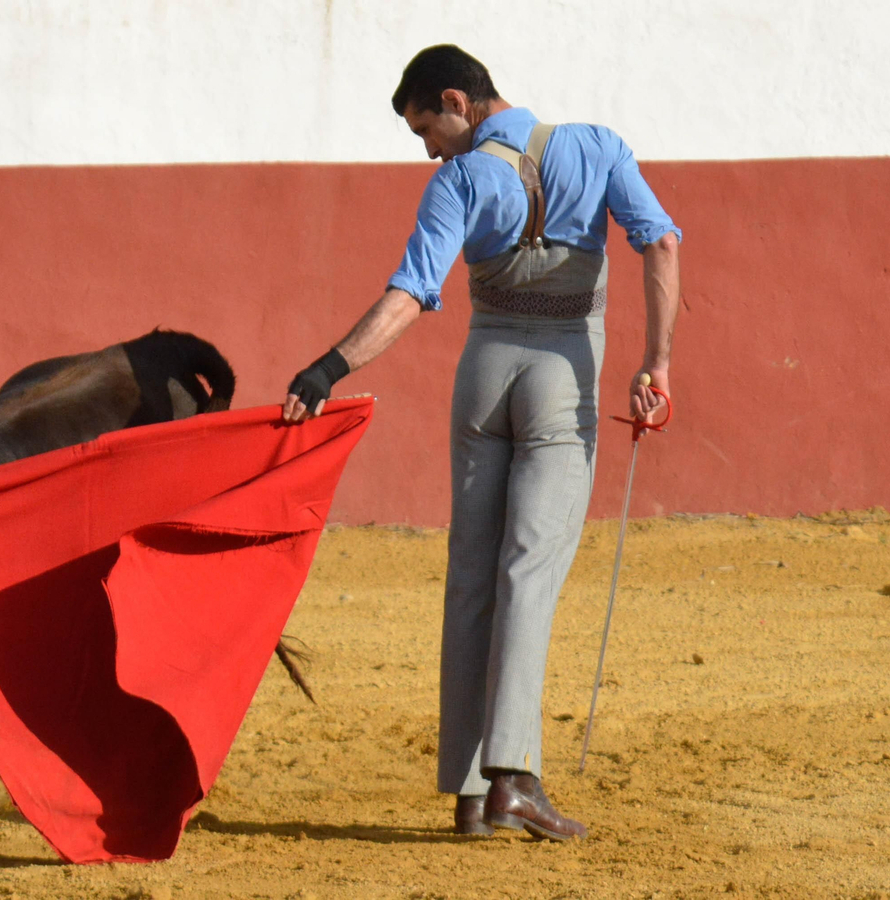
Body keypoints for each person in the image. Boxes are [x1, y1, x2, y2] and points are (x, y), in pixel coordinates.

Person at [281, 44, 681, 840]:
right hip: (563, 376)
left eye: (428, 127)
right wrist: (658, 362)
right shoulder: (595, 147)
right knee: (527, 568)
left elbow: (408, 294)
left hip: (484, 375)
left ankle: (470, 790)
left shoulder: (459, 180)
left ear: (459, 101)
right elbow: (661, 242)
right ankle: (514, 779)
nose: (429, 147)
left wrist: (331, 365)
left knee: (472, 571)